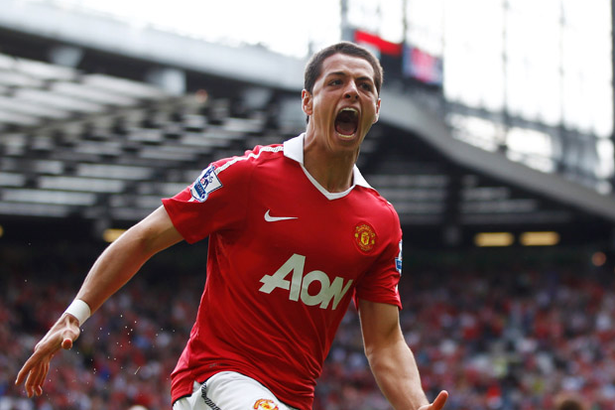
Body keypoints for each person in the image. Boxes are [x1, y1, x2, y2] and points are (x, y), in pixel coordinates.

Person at [15, 41, 448, 410]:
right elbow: (146, 236)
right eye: (335, 81)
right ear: (307, 101)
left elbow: (385, 341)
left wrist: (415, 405)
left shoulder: (381, 222)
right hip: (214, 380)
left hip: (290, 398)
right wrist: (75, 314)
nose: (351, 91)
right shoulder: (248, 175)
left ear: (375, 108)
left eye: (364, 85)